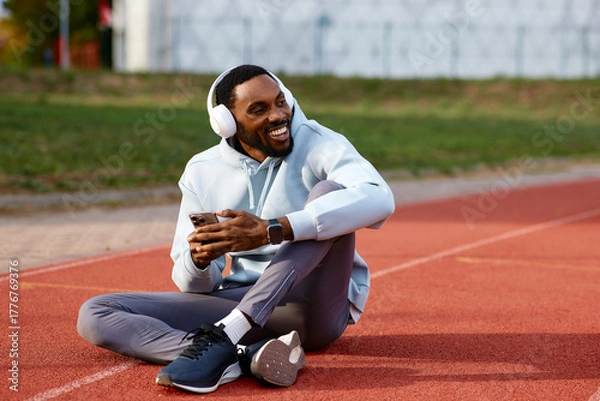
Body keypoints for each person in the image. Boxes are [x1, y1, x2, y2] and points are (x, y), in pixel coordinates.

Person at [77, 64, 395, 394]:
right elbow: (193, 285)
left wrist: (274, 229)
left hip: (315, 305)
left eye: (280, 102)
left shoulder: (319, 143)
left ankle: (231, 332)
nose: (278, 116)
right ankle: (240, 356)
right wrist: (199, 261)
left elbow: (380, 198)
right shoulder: (201, 172)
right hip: (243, 307)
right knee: (96, 312)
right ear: (226, 123)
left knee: (330, 194)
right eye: (259, 110)